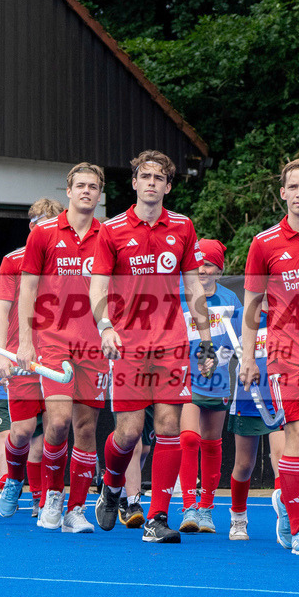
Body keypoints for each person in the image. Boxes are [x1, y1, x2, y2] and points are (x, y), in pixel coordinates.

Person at [88, 149, 215, 543]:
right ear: (134, 183)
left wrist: (206, 341)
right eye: (145, 176)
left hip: (171, 343)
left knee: (169, 426)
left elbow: (194, 286)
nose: (152, 183)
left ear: (168, 186)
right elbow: (98, 288)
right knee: (128, 434)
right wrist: (105, 327)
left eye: (159, 178)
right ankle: (111, 484)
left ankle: (157, 517)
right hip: (127, 344)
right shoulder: (111, 229)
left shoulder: (183, 226)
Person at [239, 158, 299, 556]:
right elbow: (251, 306)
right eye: (293, 187)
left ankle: (291, 496)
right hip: (286, 356)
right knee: (297, 436)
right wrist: (248, 357)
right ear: (282, 193)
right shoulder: (264, 243)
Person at [17, 166, 107, 533]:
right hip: (53, 341)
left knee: (85, 428)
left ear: (99, 194)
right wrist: (25, 341)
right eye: (80, 185)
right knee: (57, 423)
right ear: (68, 191)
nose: (86, 191)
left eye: (93, 187)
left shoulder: (109, 235)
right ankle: (52, 495)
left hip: (94, 345)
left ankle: (76, 509)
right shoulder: (43, 234)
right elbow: (27, 288)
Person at [0, 198, 62, 519]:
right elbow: (2, 309)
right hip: (19, 355)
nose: (45, 230)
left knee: (52, 431)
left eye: (52, 224)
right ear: (31, 227)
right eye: (40, 224)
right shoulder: (12, 260)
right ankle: (14, 479)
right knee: (21, 431)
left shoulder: (68, 261)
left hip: (56, 354)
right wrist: (1, 355)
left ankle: (43, 496)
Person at [176, 239, 241, 534]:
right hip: (185, 378)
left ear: (219, 270)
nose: (202, 270)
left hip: (218, 381)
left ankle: (206, 509)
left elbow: (240, 342)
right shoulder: (180, 293)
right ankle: (188, 506)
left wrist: (219, 360)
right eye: (198, 264)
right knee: (189, 438)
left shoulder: (230, 299)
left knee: (212, 444)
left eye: (209, 264)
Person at [227, 306, 284, 540]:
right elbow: (219, 350)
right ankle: (238, 517)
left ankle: (285, 519)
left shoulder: (286, 311)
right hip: (247, 397)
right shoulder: (239, 315)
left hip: (278, 397)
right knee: (243, 464)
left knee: (282, 460)